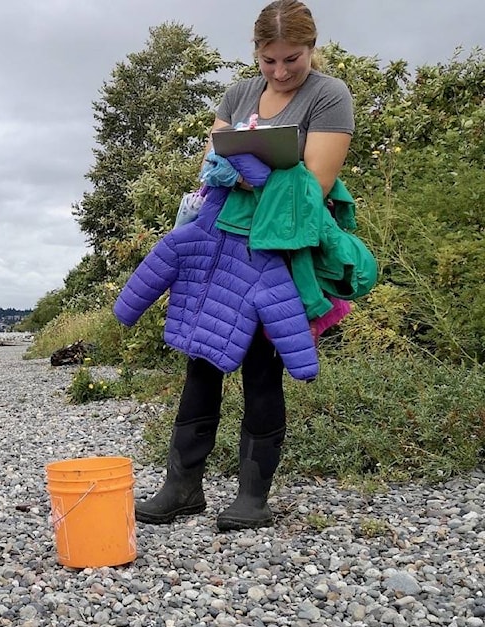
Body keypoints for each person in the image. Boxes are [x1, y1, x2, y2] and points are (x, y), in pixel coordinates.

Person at [115, 0, 354, 531]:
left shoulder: (330, 96)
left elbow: (312, 186)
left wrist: (244, 172)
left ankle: (253, 496)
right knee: (202, 359)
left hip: (282, 250)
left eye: (292, 58)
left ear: (311, 48)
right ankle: (182, 488)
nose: (281, 71)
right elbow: (210, 164)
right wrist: (240, 170)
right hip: (221, 244)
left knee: (262, 367)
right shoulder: (240, 93)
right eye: (270, 60)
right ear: (257, 54)